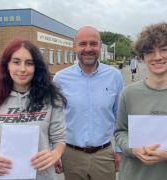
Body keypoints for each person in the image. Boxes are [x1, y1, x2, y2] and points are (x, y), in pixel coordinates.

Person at [0, 39, 67, 180]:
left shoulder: (50, 98)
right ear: (6, 65)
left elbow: (59, 138)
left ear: (36, 67)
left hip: (43, 175)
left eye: (29, 63)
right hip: (5, 175)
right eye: (16, 62)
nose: (23, 69)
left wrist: (55, 154)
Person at [54, 26, 123, 180]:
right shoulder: (60, 78)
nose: (88, 48)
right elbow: (55, 118)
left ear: (100, 45)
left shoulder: (115, 76)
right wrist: (54, 151)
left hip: (104, 156)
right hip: (71, 155)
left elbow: (120, 115)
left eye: (93, 44)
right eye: (83, 44)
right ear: (74, 46)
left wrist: (119, 150)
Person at [114, 22, 167, 180]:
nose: (157, 57)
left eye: (164, 49)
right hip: (133, 175)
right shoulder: (129, 93)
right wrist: (134, 149)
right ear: (142, 57)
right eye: (150, 51)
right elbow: (120, 132)